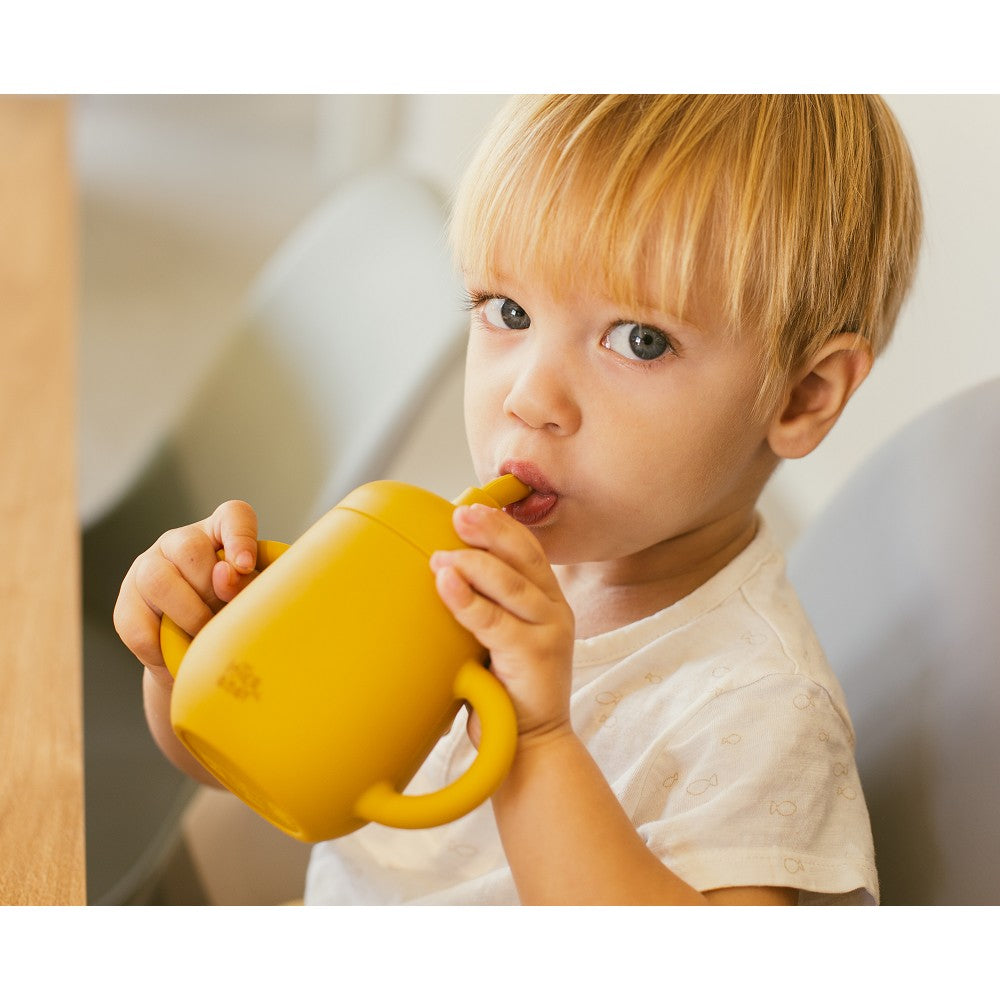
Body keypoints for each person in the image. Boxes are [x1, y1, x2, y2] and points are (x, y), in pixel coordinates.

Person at [114, 94, 922, 905]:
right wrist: (187, 653)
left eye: (638, 340)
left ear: (802, 396)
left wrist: (537, 742)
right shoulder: (458, 564)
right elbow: (246, 762)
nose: (530, 396)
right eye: (508, 312)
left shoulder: (760, 712)